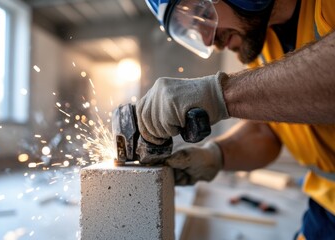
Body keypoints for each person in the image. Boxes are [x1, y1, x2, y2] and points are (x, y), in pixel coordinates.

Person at [136, 0, 335, 239]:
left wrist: (220, 94)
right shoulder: (261, 41)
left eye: (202, 14)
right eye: (193, 30)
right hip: (327, 204)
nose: (209, 40)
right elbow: (268, 132)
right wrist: (214, 156)